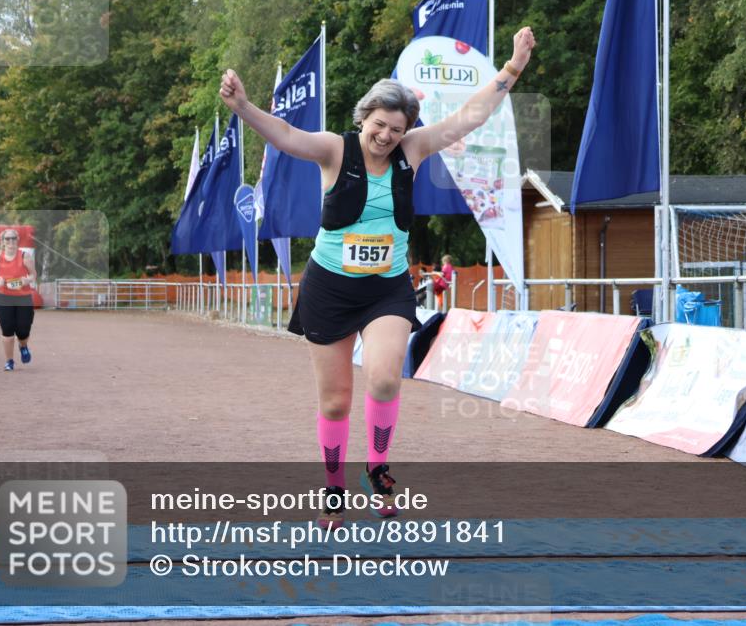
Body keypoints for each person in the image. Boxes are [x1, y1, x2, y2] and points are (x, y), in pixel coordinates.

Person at [220, 27, 536, 528]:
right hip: (329, 286)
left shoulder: (412, 152)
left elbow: (469, 117)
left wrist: (512, 67)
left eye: (397, 127)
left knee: (386, 380)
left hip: (386, 287)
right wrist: (243, 106)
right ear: (363, 118)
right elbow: (283, 134)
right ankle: (333, 486)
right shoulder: (334, 150)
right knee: (336, 399)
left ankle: (378, 468)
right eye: (380, 124)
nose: (386, 135)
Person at [0, 229, 38, 371]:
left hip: (23, 299)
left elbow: (34, 275)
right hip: (3, 300)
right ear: (3, 241)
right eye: (7, 239)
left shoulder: (25, 256)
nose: (11, 241)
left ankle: (23, 346)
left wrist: (27, 280)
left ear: (17, 240)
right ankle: (9, 361)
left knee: (23, 330)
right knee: (7, 331)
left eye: (13, 238)